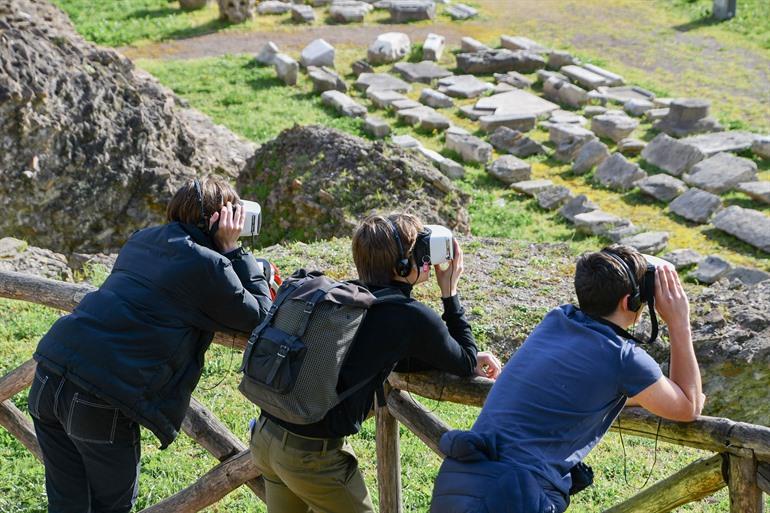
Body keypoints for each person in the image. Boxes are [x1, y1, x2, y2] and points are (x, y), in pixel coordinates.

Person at [28, 177, 274, 513]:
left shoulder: (142, 239)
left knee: (67, 504)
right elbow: (261, 316)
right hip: (98, 397)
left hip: (48, 376)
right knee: (111, 507)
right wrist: (234, 250)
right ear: (219, 219)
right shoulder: (209, 264)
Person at [249, 213, 502, 513]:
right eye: (420, 249)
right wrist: (450, 292)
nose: (426, 257)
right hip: (310, 457)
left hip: (266, 436)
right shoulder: (410, 315)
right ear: (404, 265)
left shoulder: (351, 296)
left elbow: (396, 357)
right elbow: (465, 361)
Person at [430, 244, 705, 513]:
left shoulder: (556, 320)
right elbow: (688, 407)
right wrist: (679, 322)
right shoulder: (622, 356)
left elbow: (578, 390)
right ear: (629, 301)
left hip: (459, 481)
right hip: (513, 496)